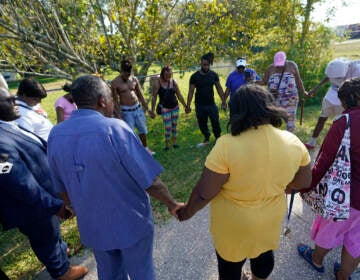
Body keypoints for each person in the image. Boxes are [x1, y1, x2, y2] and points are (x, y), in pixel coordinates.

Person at [47, 75, 182, 280]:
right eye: (111, 97)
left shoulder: (55, 134)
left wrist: (76, 207)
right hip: (131, 223)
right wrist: (172, 204)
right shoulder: (114, 129)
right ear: (102, 100)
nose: (113, 102)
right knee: (142, 273)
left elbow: (60, 187)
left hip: (92, 225)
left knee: (109, 274)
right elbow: (150, 181)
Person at [177, 84, 312, 280]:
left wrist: (186, 212)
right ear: (269, 107)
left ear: (236, 111)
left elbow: (203, 193)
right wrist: (275, 186)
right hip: (270, 217)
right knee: (264, 254)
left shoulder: (227, 145)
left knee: (230, 265)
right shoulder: (292, 141)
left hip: (233, 223)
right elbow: (303, 181)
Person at [0, 87, 88, 280]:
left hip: (44, 193)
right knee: (44, 235)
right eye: (9, 101)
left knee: (52, 231)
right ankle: (61, 272)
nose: (16, 103)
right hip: (32, 204)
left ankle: (61, 252)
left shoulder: (8, 125)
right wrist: (54, 205)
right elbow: (20, 183)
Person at [298, 78, 360, 280]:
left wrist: (307, 185)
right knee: (356, 241)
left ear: (346, 101)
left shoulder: (345, 123)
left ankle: (316, 260)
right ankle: (343, 276)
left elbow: (325, 160)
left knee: (330, 230)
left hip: (346, 195)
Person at [305, 58, 360, 149]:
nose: (336, 79)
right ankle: (312, 142)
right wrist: (316, 88)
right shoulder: (336, 66)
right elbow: (328, 77)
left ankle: (340, 146)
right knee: (322, 118)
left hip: (346, 97)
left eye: (338, 77)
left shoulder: (356, 70)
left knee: (342, 122)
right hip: (331, 95)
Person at [111, 59, 155, 155]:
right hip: (126, 111)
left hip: (137, 108)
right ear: (121, 71)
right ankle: (134, 152)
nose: (127, 76)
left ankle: (145, 149)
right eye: (125, 74)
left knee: (143, 130)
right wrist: (118, 116)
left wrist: (148, 109)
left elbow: (140, 95)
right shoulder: (115, 83)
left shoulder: (134, 79)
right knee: (129, 133)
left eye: (129, 74)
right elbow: (115, 101)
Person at [186, 53, 226, 147]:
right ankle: (206, 138)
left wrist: (224, 101)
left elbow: (219, 88)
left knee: (215, 121)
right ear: (201, 64)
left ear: (209, 64)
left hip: (211, 104)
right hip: (199, 105)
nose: (206, 67)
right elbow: (191, 91)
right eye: (204, 65)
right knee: (202, 123)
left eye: (207, 65)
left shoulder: (213, 75)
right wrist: (188, 106)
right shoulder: (194, 77)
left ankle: (218, 138)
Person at [262, 51, 308, 132]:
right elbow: (264, 82)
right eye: (277, 64)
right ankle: (273, 139)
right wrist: (252, 81)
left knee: (290, 122)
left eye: (281, 64)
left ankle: (290, 141)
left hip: (290, 99)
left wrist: (303, 91)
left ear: (285, 60)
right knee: (272, 122)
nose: (279, 66)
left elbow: (298, 80)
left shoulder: (292, 65)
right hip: (274, 99)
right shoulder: (270, 68)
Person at [150, 65, 188, 150]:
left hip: (175, 107)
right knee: (168, 127)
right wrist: (152, 111)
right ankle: (167, 145)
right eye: (166, 75)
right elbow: (154, 97)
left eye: (170, 75)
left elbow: (179, 95)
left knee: (174, 126)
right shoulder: (157, 82)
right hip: (165, 108)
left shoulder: (174, 82)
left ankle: (174, 143)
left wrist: (186, 106)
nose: (168, 77)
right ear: (162, 74)